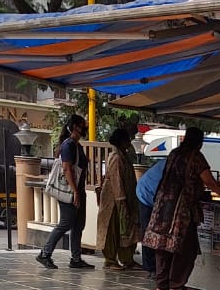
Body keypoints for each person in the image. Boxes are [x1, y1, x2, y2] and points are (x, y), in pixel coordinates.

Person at [142, 126, 220, 290]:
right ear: (199, 142)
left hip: (162, 204)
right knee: (187, 246)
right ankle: (176, 284)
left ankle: (162, 284)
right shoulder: (195, 157)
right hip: (181, 208)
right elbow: (209, 182)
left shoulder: (174, 153)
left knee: (162, 244)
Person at [36, 114, 93, 270]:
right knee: (66, 223)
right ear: (75, 127)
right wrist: (75, 192)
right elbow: (67, 169)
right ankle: (45, 253)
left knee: (78, 225)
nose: (85, 128)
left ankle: (76, 258)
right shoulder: (69, 145)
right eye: (83, 125)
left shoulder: (76, 145)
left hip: (78, 190)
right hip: (70, 191)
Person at [96, 126, 141, 269]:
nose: (129, 142)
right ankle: (110, 260)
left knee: (128, 229)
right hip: (114, 200)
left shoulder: (124, 156)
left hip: (126, 198)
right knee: (112, 229)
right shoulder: (116, 157)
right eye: (127, 139)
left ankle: (127, 258)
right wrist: (121, 200)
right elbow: (117, 181)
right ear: (121, 141)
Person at [135, 152, 166, 278]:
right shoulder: (173, 166)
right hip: (146, 195)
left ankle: (156, 267)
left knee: (153, 231)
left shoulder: (173, 162)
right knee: (148, 231)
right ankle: (150, 268)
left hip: (155, 196)